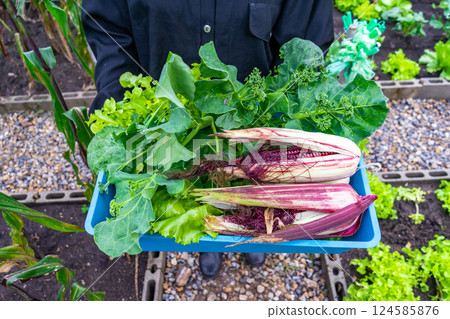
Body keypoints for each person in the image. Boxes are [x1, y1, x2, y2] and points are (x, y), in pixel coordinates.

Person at [82, 0, 334, 278]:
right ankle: (212, 236)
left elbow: (308, 39)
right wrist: (125, 114)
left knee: (253, 182)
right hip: (165, 128)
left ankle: (255, 222)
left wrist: (279, 120)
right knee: (191, 187)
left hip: (256, 128)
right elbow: (107, 27)